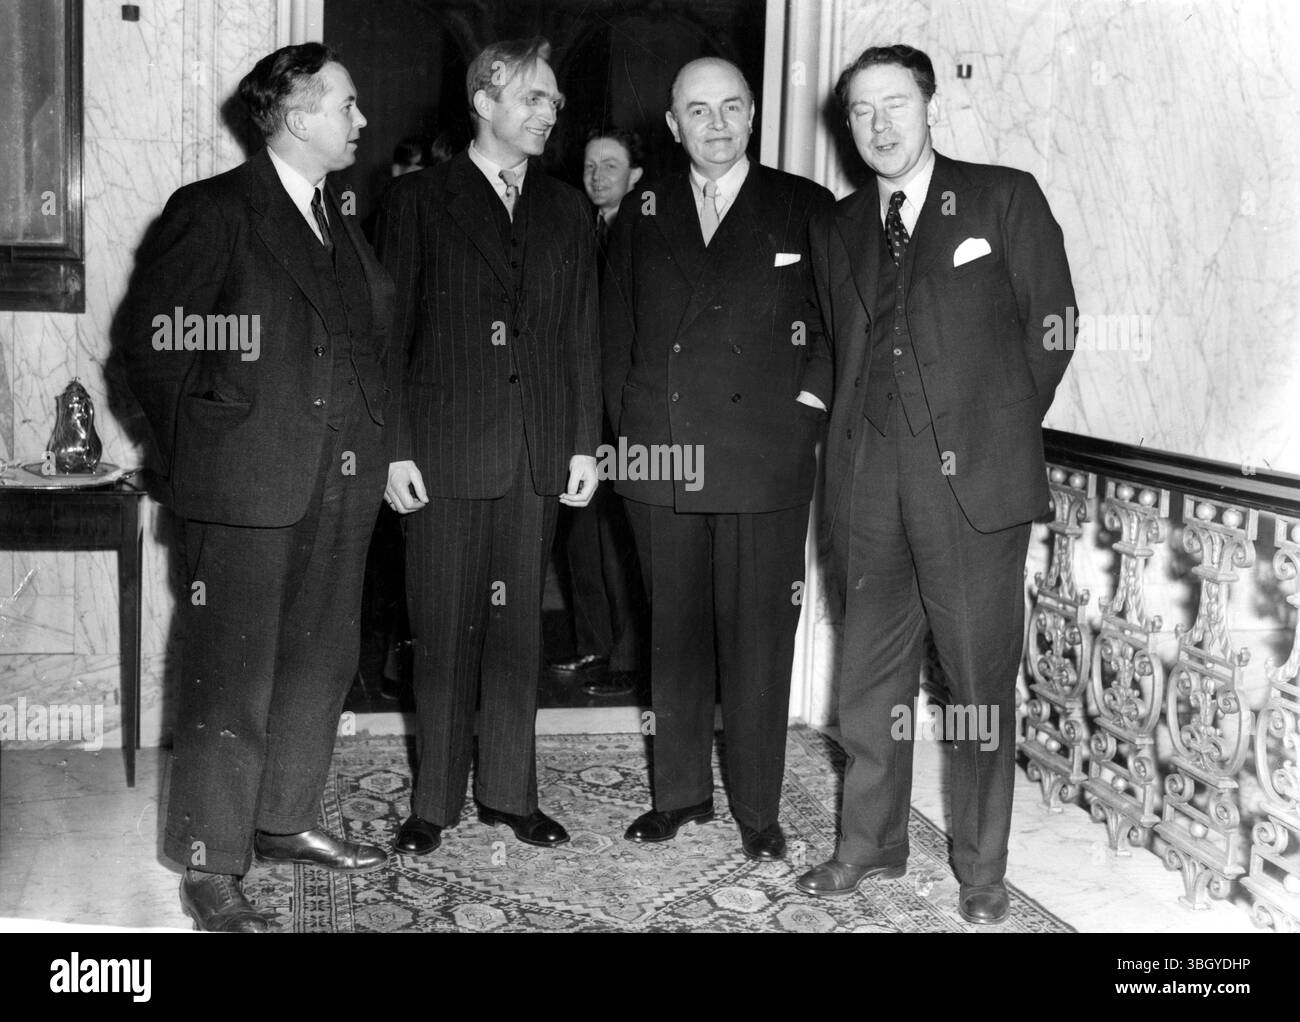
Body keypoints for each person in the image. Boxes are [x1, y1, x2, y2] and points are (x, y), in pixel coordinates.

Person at [796, 44, 1077, 924]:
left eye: (895, 105)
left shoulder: (1003, 196)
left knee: (975, 686)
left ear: (928, 106)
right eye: (861, 113)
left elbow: (1056, 325)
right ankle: (868, 846)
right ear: (849, 128)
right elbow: (835, 348)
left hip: (975, 489)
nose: (880, 126)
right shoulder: (838, 225)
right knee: (868, 683)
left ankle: (982, 869)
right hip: (867, 480)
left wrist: (993, 432)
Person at [117, 43, 393, 931]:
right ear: (298, 114)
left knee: (319, 664)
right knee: (227, 683)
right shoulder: (215, 211)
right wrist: (200, 454)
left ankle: (282, 821)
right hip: (241, 489)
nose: (359, 121)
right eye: (346, 104)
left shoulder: (337, 216)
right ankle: (208, 863)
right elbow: (153, 346)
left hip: (340, 486)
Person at [602, 57, 833, 860]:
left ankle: (759, 812)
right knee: (674, 635)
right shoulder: (644, 207)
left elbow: (841, 328)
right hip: (661, 462)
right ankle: (679, 797)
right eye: (698, 111)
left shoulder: (805, 207)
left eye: (732, 107)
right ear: (673, 126)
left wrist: (807, 409)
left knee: (759, 642)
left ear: (755, 114)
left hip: (762, 461)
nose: (717, 123)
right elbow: (614, 336)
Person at [378, 38, 601, 857]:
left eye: (554, 104)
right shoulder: (416, 203)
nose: (550, 113)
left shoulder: (568, 209)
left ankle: (510, 793)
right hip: (441, 456)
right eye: (535, 99)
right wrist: (394, 450)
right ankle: (432, 803)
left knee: (518, 637)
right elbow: (388, 339)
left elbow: (583, 335)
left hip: (536, 458)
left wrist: (584, 446)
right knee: (441, 632)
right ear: (484, 99)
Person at [549, 127, 647, 696]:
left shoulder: (646, 230)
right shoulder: (573, 229)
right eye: (589, 164)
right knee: (582, 535)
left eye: (611, 164)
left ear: (635, 176)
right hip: (581, 409)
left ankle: (629, 656)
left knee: (624, 541)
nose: (597, 175)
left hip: (630, 415)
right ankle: (593, 646)